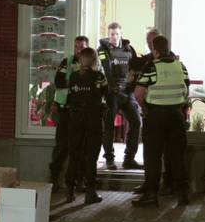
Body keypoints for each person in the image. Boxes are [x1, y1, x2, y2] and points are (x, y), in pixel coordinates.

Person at [132, 35, 190, 208]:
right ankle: (183, 195)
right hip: (176, 115)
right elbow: (186, 90)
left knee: (153, 157)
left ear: (155, 50)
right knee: (177, 156)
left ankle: (151, 195)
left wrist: (145, 107)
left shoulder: (151, 66)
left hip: (156, 117)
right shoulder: (181, 66)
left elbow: (138, 94)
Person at [129, 28, 175, 196]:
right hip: (169, 114)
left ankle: (155, 188)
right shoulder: (174, 63)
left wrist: (146, 106)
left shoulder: (154, 64)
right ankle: (154, 185)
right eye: (147, 42)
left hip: (156, 113)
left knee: (158, 154)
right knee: (155, 154)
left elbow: (138, 93)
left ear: (158, 45)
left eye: (152, 43)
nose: (149, 46)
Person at [64, 47, 108, 204]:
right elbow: (106, 94)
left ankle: (70, 190)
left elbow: (70, 97)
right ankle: (90, 192)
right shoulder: (99, 77)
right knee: (91, 157)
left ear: (81, 60)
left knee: (74, 154)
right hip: (93, 119)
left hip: (76, 120)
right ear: (95, 61)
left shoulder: (74, 77)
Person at [97, 22, 142, 170]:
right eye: (111, 34)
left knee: (136, 122)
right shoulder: (102, 49)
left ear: (120, 34)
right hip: (112, 93)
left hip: (128, 93)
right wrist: (112, 88)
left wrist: (133, 84)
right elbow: (107, 69)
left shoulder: (129, 48)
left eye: (116, 34)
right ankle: (109, 159)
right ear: (108, 34)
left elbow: (135, 68)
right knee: (108, 126)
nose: (114, 37)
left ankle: (129, 158)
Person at [50, 36, 89, 193]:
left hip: (82, 111)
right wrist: (77, 82)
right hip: (65, 109)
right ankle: (54, 181)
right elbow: (59, 81)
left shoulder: (91, 64)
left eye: (81, 47)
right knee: (62, 146)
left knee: (82, 148)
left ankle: (80, 181)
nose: (78, 50)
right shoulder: (67, 62)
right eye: (76, 47)